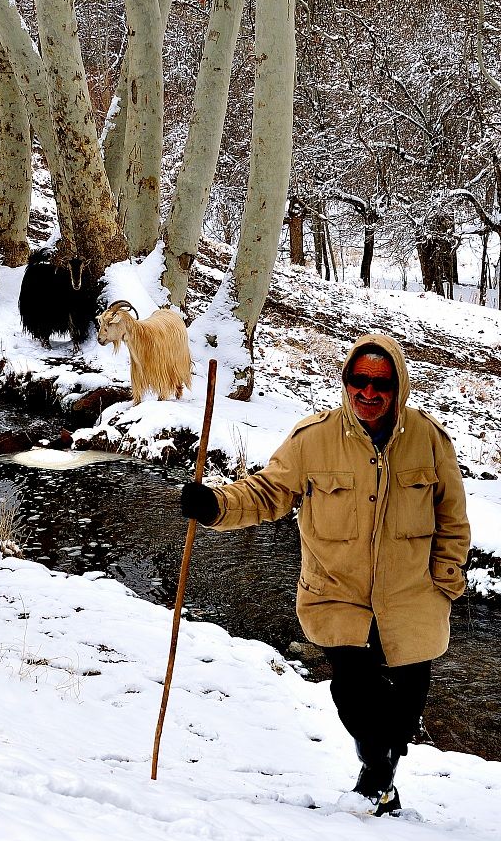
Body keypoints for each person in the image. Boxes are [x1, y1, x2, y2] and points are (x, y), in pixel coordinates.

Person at [180, 333, 470, 816]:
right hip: (338, 597)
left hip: (413, 599)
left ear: (399, 386)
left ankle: (380, 778)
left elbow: (452, 517)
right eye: (359, 381)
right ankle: (376, 781)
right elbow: (268, 493)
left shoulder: (430, 440)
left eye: (381, 384)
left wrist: (446, 581)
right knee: (355, 697)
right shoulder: (312, 440)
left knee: (403, 713)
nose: (369, 394)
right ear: (346, 383)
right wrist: (215, 504)